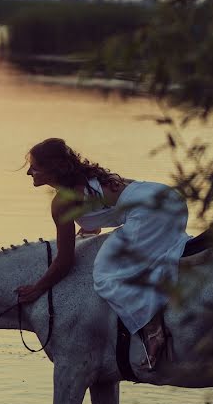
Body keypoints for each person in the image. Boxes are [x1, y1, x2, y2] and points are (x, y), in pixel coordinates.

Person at [16, 138, 190, 369]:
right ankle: (197, 254)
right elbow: (108, 207)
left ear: (53, 168)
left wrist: (38, 287)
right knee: (146, 255)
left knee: (106, 276)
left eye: (35, 167)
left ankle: (153, 330)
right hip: (169, 199)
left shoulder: (63, 202)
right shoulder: (88, 177)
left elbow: (65, 260)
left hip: (149, 213)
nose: (29, 172)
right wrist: (89, 227)